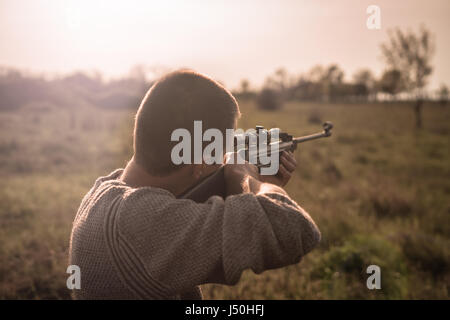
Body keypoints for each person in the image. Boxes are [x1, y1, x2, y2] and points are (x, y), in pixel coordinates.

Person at [68, 69, 321, 299]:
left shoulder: (104, 191)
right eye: (222, 155)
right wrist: (245, 177)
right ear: (201, 163)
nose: (224, 162)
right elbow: (295, 228)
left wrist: (251, 189)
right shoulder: (141, 223)